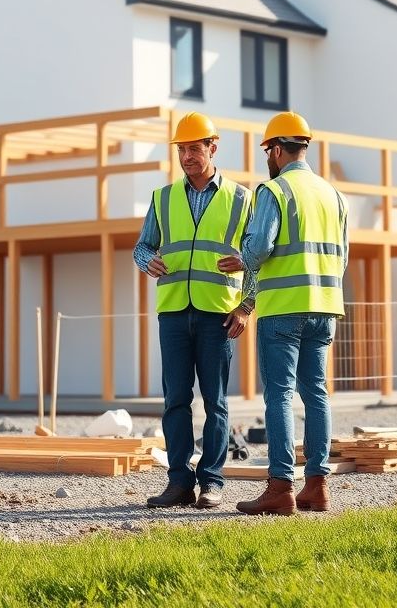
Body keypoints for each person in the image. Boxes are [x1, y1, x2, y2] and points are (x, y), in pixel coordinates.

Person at [221, 111, 347, 516]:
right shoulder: (334, 195)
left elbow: (260, 246)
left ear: (276, 150)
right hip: (324, 307)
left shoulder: (275, 191)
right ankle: (317, 487)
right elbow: (342, 257)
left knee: (278, 395)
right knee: (317, 394)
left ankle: (280, 488)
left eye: (267, 152)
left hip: (283, 310)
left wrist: (242, 258)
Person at [133, 112, 254, 509]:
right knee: (175, 401)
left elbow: (258, 258)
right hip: (172, 312)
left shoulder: (242, 199)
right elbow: (142, 246)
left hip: (218, 314)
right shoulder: (163, 198)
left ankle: (212, 483)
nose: (187, 156)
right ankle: (179, 482)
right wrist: (146, 260)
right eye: (181, 149)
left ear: (212, 148)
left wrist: (246, 307)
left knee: (215, 401)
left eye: (194, 149)